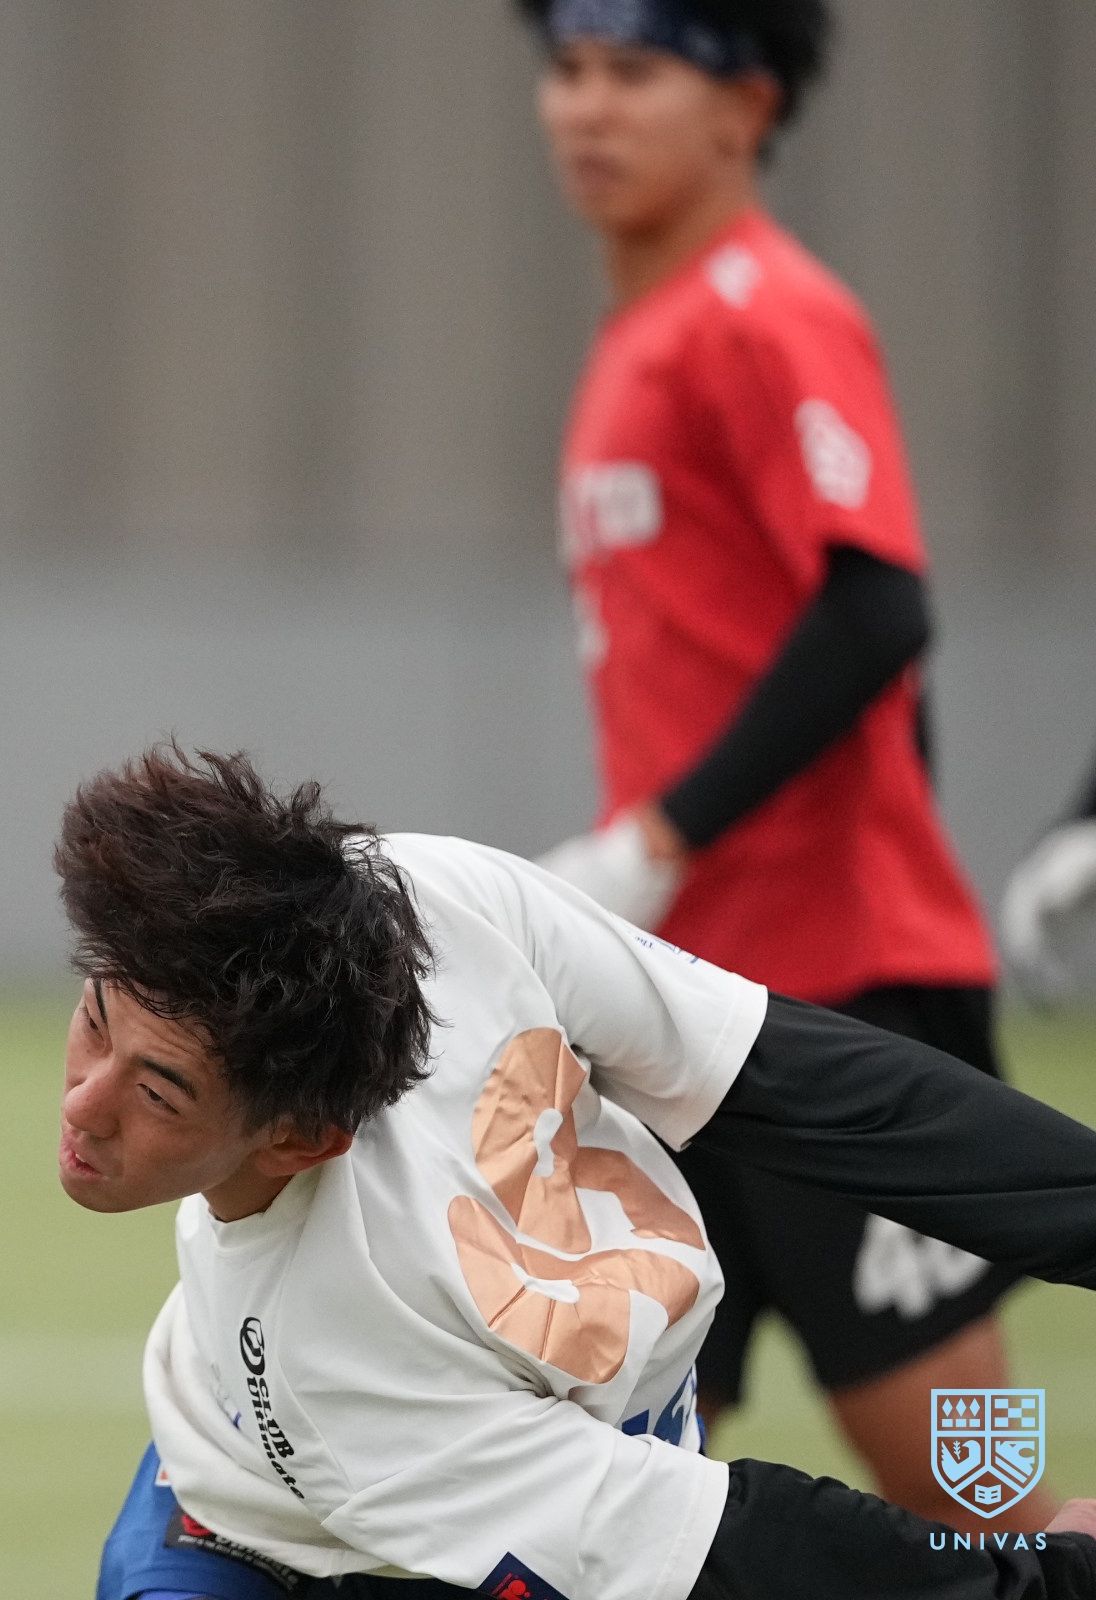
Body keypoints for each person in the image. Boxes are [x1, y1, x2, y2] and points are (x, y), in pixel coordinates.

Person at [62, 746, 1096, 1600]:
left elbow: (787, 1078)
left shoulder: (431, 904)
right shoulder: (338, 1364)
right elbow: (711, 1549)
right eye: (95, 1020)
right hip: (287, 1561)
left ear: (298, 1136)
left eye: (154, 1091)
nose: (79, 1104)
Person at [517, 0, 1037, 1522]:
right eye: (567, 70)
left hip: (839, 1009)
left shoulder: (766, 312)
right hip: (674, 1015)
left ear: (745, 108)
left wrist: (655, 838)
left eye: (634, 71)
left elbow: (877, 608)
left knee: (978, 1491)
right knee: (616, 1491)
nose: (586, 106)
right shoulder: (640, 337)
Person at [1002, 749, 1096, 1004]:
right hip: (1069, 847)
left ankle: (1041, 977)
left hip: (1076, 848)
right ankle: (1042, 980)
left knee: (1050, 898)